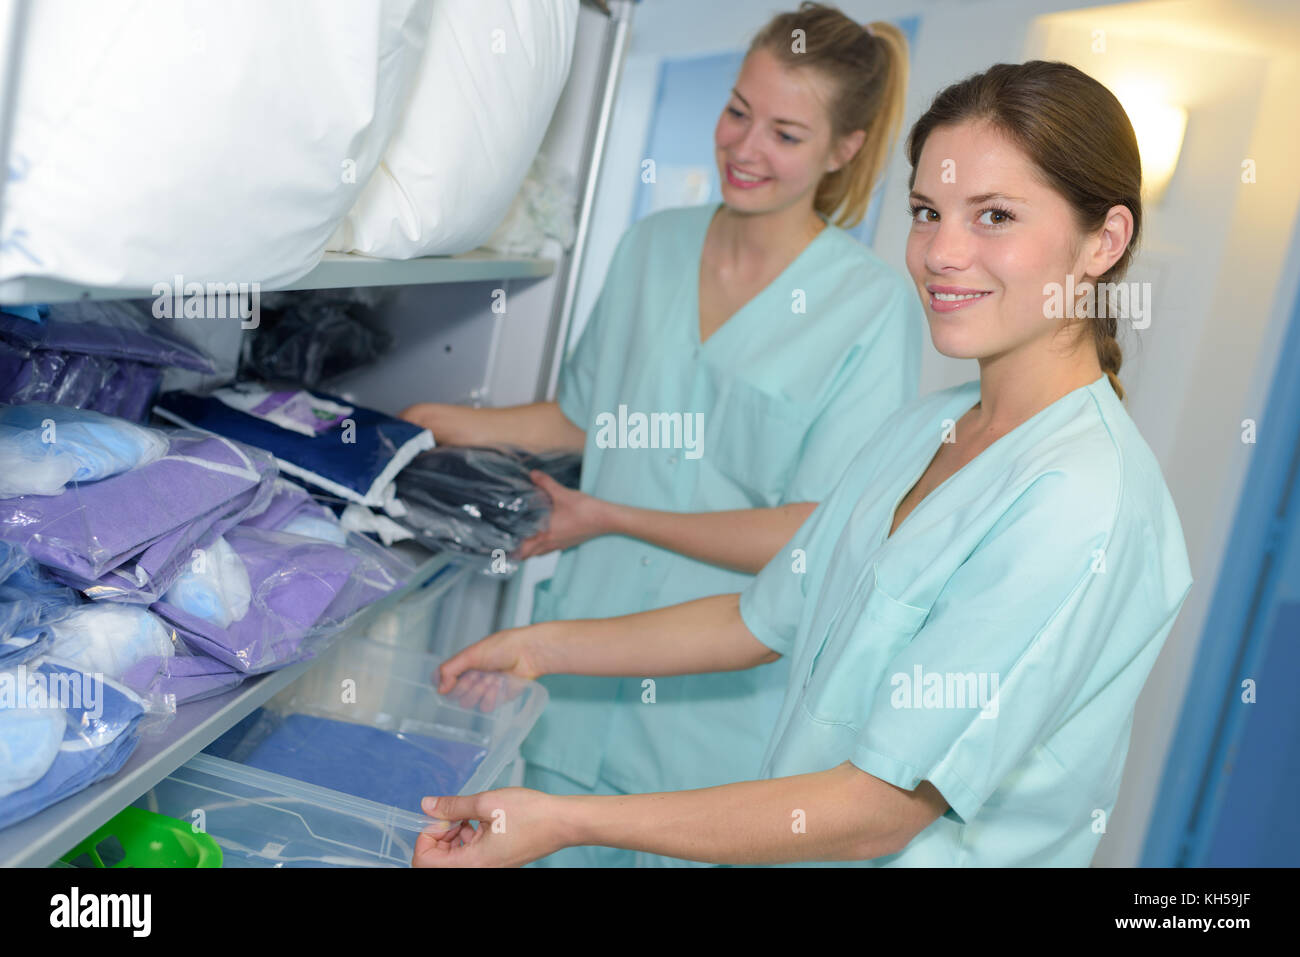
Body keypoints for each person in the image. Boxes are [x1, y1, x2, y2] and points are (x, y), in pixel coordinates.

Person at [412, 59, 1194, 868]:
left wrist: (569, 821)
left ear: (1104, 240)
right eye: (928, 212)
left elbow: (876, 812)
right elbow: (757, 618)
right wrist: (540, 646)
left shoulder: (1082, 503)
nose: (942, 253)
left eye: (994, 215)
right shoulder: (927, 428)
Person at [401, 5, 920, 866]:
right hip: (579, 685)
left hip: (720, 731)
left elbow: (816, 539)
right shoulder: (651, 247)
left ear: (845, 149)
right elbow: (583, 418)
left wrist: (611, 514)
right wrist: (438, 424)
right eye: (737, 111)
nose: (745, 147)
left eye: (786, 133)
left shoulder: (868, 307)